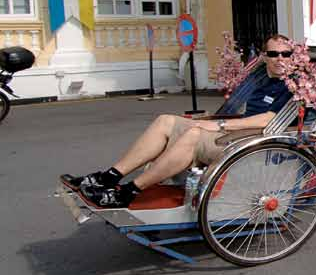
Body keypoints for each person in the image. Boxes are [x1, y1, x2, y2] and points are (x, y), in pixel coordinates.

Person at [63, 34, 296, 208]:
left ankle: (128, 192)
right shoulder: (260, 78)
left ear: (293, 57)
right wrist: (213, 121)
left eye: (286, 54)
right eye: (274, 54)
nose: (280, 59)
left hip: (257, 140)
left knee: (194, 134)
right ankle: (109, 177)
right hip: (235, 133)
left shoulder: (294, 83)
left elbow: (269, 119)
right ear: (264, 56)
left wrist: (218, 125)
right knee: (166, 121)